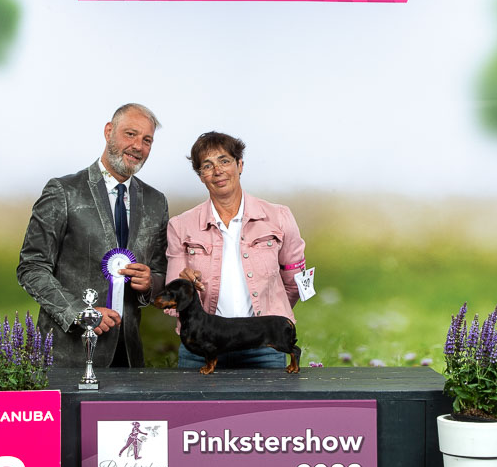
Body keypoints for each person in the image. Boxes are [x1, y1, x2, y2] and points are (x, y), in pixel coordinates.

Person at [17, 103, 168, 368]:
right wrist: (80, 312)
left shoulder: (157, 202)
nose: (138, 146)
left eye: (147, 140)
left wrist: (150, 283)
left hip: (128, 356)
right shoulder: (63, 191)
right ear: (109, 131)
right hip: (67, 355)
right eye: (130, 134)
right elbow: (32, 268)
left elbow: (161, 272)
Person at [166, 131, 306, 369]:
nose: (217, 171)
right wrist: (187, 285)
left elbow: (295, 282)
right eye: (207, 166)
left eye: (224, 161)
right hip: (200, 345)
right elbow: (173, 290)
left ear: (240, 165)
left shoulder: (279, 217)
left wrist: (271, 316)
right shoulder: (180, 225)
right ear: (200, 176)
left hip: (263, 345)